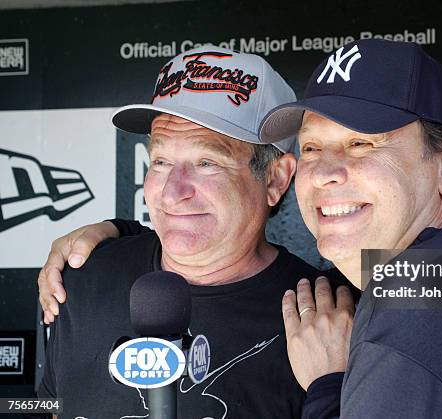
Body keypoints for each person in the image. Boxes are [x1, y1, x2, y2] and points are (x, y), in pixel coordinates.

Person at [39, 40, 442, 418]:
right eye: (313, 148)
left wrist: (329, 389)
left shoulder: (360, 318)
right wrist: (119, 232)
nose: (329, 173)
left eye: (363, 144)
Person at [37, 45, 354, 419]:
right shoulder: (78, 277)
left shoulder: (328, 319)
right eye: (160, 161)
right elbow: (45, 406)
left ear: (276, 178)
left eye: (206, 162)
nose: (172, 191)